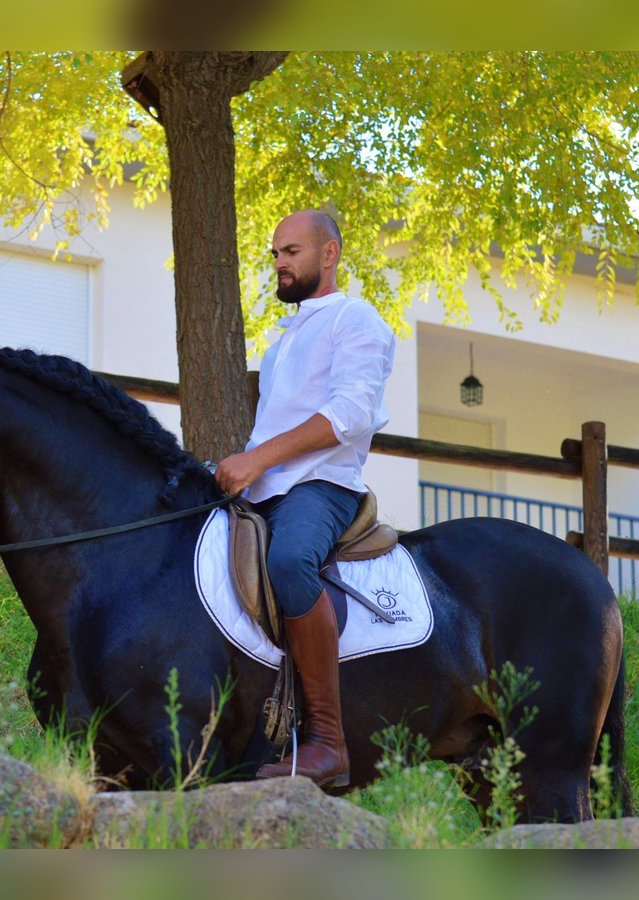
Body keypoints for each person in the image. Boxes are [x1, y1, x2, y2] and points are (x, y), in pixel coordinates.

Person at [214, 209, 395, 788]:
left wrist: (257, 460)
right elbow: (266, 434)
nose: (280, 262)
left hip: (324, 485)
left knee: (291, 562)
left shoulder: (357, 320)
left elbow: (350, 415)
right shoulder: (282, 342)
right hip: (266, 488)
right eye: (275, 254)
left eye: (291, 251)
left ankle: (328, 743)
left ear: (330, 254)